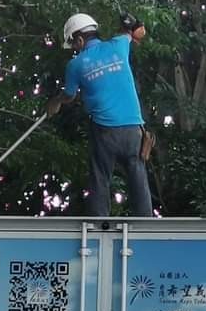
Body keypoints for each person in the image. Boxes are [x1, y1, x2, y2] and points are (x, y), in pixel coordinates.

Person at [46, 12, 153, 217]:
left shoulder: (75, 65)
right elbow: (135, 31)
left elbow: (69, 95)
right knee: (137, 172)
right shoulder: (119, 45)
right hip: (133, 129)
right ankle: (146, 221)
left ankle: (99, 222)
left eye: (74, 45)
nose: (74, 49)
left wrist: (56, 102)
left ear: (79, 40)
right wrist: (131, 21)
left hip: (105, 132)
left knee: (100, 176)